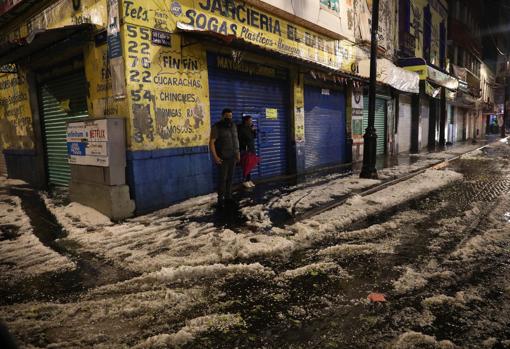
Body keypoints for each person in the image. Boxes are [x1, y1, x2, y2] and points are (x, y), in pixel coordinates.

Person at [210, 108, 240, 207]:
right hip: (223, 158)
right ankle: (220, 199)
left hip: (233, 157)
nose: (229, 118)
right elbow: (211, 143)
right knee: (222, 179)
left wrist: (238, 153)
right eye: (227, 116)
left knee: (230, 178)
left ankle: (228, 197)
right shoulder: (217, 127)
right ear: (222, 116)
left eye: (230, 116)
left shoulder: (234, 126)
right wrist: (215, 157)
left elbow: (236, 140)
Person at [237, 115, 259, 188]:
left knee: (249, 165)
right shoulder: (241, 128)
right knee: (245, 165)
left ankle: (249, 180)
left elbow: (254, 137)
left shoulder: (250, 128)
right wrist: (243, 148)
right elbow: (239, 139)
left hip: (251, 149)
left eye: (251, 121)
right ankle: (244, 181)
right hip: (245, 150)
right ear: (246, 121)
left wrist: (253, 130)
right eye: (250, 120)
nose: (251, 122)